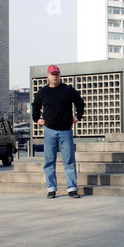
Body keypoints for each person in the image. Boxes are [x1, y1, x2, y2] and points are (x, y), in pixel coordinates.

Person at [32, 65, 85, 199]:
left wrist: (78, 117)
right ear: (48, 76)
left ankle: (72, 189)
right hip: (49, 131)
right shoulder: (42, 92)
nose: (54, 76)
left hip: (65, 131)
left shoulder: (68, 90)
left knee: (69, 161)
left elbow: (80, 103)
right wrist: (36, 119)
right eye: (52, 74)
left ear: (59, 75)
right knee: (49, 161)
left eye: (57, 74)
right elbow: (35, 106)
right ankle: (51, 189)